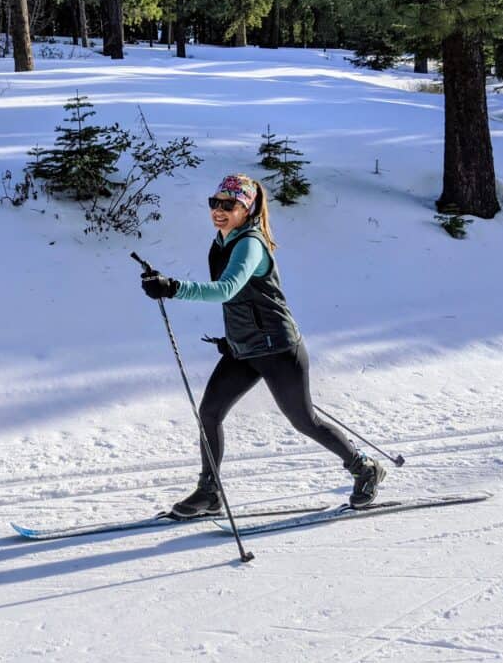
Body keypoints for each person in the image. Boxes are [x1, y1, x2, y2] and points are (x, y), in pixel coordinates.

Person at [140, 173, 385, 518]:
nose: (219, 211)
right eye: (215, 203)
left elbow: (227, 289)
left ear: (247, 209)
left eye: (229, 205)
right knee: (209, 413)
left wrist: (172, 287)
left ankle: (364, 468)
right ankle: (209, 492)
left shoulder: (250, 243)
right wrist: (233, 337)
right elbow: (240, 301)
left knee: (305, 421)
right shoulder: (222, 242)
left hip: (278, 348)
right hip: (245, 348)